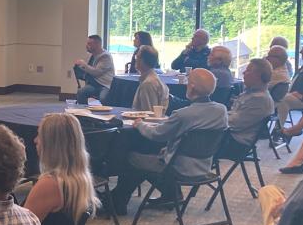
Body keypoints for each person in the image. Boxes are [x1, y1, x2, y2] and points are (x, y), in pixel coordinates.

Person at [110, 68, 228, 213]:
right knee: (154, 156)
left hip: (179, 168)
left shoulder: (183, 114)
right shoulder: (222, 111)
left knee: (132, 157)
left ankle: (117, 202)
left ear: (191, 87)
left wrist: (139, 124)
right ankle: (171, 195)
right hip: (204, 166)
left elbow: (157, 134)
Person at [24, 113, 99, 224]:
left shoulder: (49, 184)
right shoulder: (80, 178)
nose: (35, 140)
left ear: (52, 144)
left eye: (39, 135)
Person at [218, 58, 275, 158]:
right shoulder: (251, 93)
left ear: (258, 76)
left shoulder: (259, 99)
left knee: (193, 140)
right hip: (230, 137)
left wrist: (211, 119)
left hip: (236, 144)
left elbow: (234, 124)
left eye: (248, 70)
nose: (244, 72)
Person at [74, 34, 115, 104]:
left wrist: (84, 64)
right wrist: (79, 66)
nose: (86, 46)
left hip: (104, 85)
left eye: (89, 44)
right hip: (94, 84)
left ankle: (104, 114)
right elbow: (88, 69)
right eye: (87, 43)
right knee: (81, 92)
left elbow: (96, 72)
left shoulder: (105, 56)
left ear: (97, 44)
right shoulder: (91, 55)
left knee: (103, 98)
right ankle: (82, 112)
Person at [130, 45, 169, 113]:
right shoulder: (153, 79)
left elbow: (148, 113)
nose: (135, 59)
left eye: (137, 57)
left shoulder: (148, 84)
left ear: (142, 61)